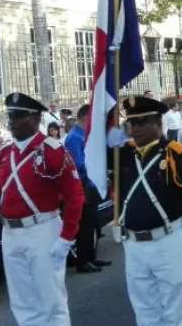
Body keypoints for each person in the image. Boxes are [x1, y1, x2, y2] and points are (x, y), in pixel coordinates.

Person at [0, 92, 85, 326]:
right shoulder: (5, 154)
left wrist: (67, 237)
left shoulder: (53, 151)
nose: (12, 122)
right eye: (10, 116)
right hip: (10, 233)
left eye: (18, 116)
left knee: (51, 301)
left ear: (36, 119)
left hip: (42, 230)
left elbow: (74, 195)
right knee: (22, 302)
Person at [108, 96, 182, 325]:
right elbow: (96, 165)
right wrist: (106, 142)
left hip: (169, 241)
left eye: (142, 122)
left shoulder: (178, 154)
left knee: (176, 313)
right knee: (145, 313)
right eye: (132, 124)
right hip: (134, 245)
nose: (136, 129)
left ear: (158, 123)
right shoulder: (122, 154)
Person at [64, 104, 112, 273]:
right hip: (84, 185)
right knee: (85, 225)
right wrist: (96, 166)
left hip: (92, 184)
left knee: (93, 223)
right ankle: (83, 261)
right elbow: (76, 164)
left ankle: (92, 257)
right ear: (86, 118)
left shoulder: (83, 135)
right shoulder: (74, 137)